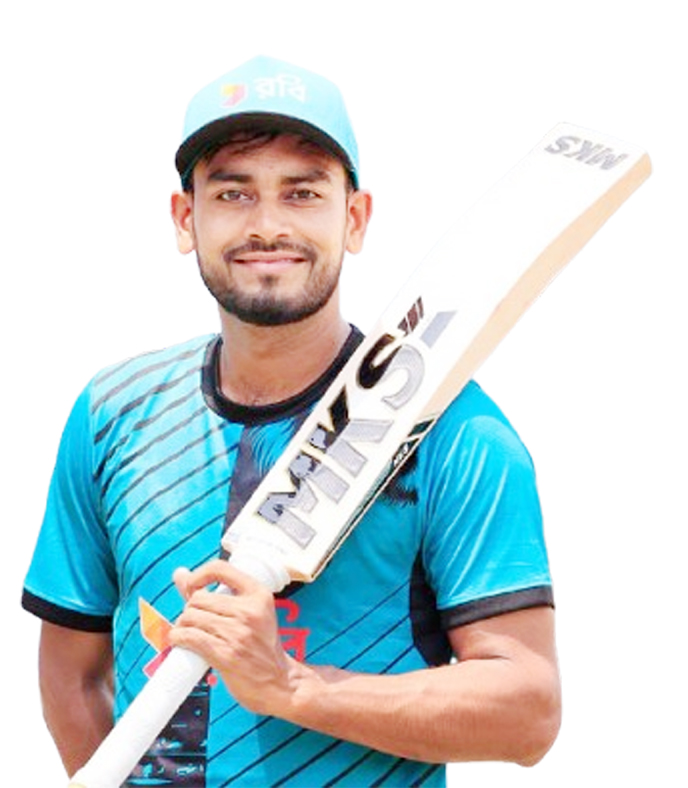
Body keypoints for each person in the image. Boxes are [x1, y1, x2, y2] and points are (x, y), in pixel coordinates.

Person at [22, 55, 561, 787]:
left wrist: (291, 686)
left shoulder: (452, 429)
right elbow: (73, 674)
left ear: (354, 218)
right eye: (233, 193)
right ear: (186, 218)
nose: (268, 225)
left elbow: (527, 711)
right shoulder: (113, 413)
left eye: (302, 193)